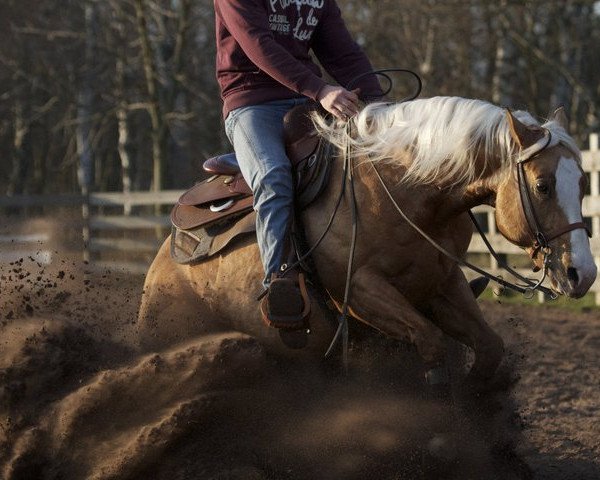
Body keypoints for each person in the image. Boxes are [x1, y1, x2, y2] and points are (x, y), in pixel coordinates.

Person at [214, 0, 382, 329]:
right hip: (252, 103)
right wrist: (320, 90)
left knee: (373, 162)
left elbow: (342, 52)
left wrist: (379, 105)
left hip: (307, 101)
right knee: (273, 175)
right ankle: (280, 280)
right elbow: (257, 43)